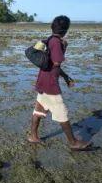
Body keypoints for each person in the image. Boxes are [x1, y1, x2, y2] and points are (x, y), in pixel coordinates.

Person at [27, 15, 92, 150]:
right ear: (66, 30)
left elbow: (52, 64)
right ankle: (73, 142)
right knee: (61, 111)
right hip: (50, 84)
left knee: (39, 110)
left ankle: (33, 136)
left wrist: (66, 77)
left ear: (52, 27)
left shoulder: (50, 39)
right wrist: (63, 48)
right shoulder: (56, 42)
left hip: (43, 80)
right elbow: (56, 62)